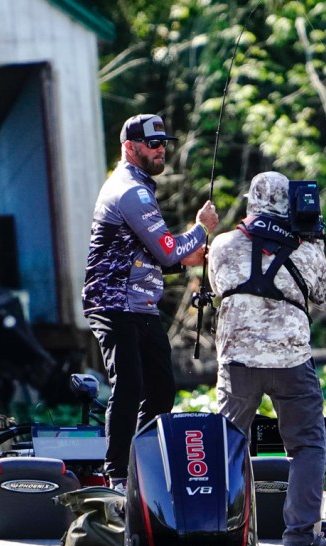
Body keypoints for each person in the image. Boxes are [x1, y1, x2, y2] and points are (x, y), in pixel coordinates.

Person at [82, 113, 217, 489]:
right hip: (112, 304)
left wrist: (184, 258)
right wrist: (201, 229)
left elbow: (147, 254)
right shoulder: (131, 191)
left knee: (160, 390)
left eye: (163, 144)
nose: (161, 151)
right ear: (130, 147)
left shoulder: (140, 187)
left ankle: (140, 467)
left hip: (140, 305)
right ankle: (117, 476)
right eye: (153, 144)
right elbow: (168, 249)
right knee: (128, 386)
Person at [208, 171, 326, 546]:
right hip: (291, 362)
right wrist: (316, 244)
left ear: (251, 202)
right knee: (308, 446)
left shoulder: (221, 245)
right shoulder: (306, 250)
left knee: (229, 447)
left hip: (237, 362)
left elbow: (218, 288)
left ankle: (226, 535)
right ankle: (300, 536)